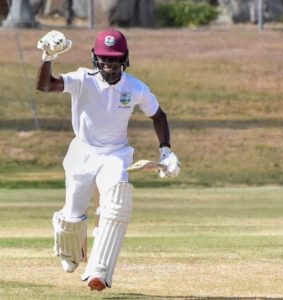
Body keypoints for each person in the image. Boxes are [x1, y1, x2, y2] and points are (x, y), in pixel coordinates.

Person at [36, 28, 180, 291]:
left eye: (114, 59)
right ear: (95, 58)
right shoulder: (83, 79)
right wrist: (47, 58)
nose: (109, 64)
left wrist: (166, 150)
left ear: (124, 59)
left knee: (116, 203)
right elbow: (45, 85)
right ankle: (69, 244)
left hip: (115, 154)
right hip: (82, 151)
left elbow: (159, 116)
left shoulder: (135, 87)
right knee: (72, 221)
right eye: (104, 59)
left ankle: (99, 271)